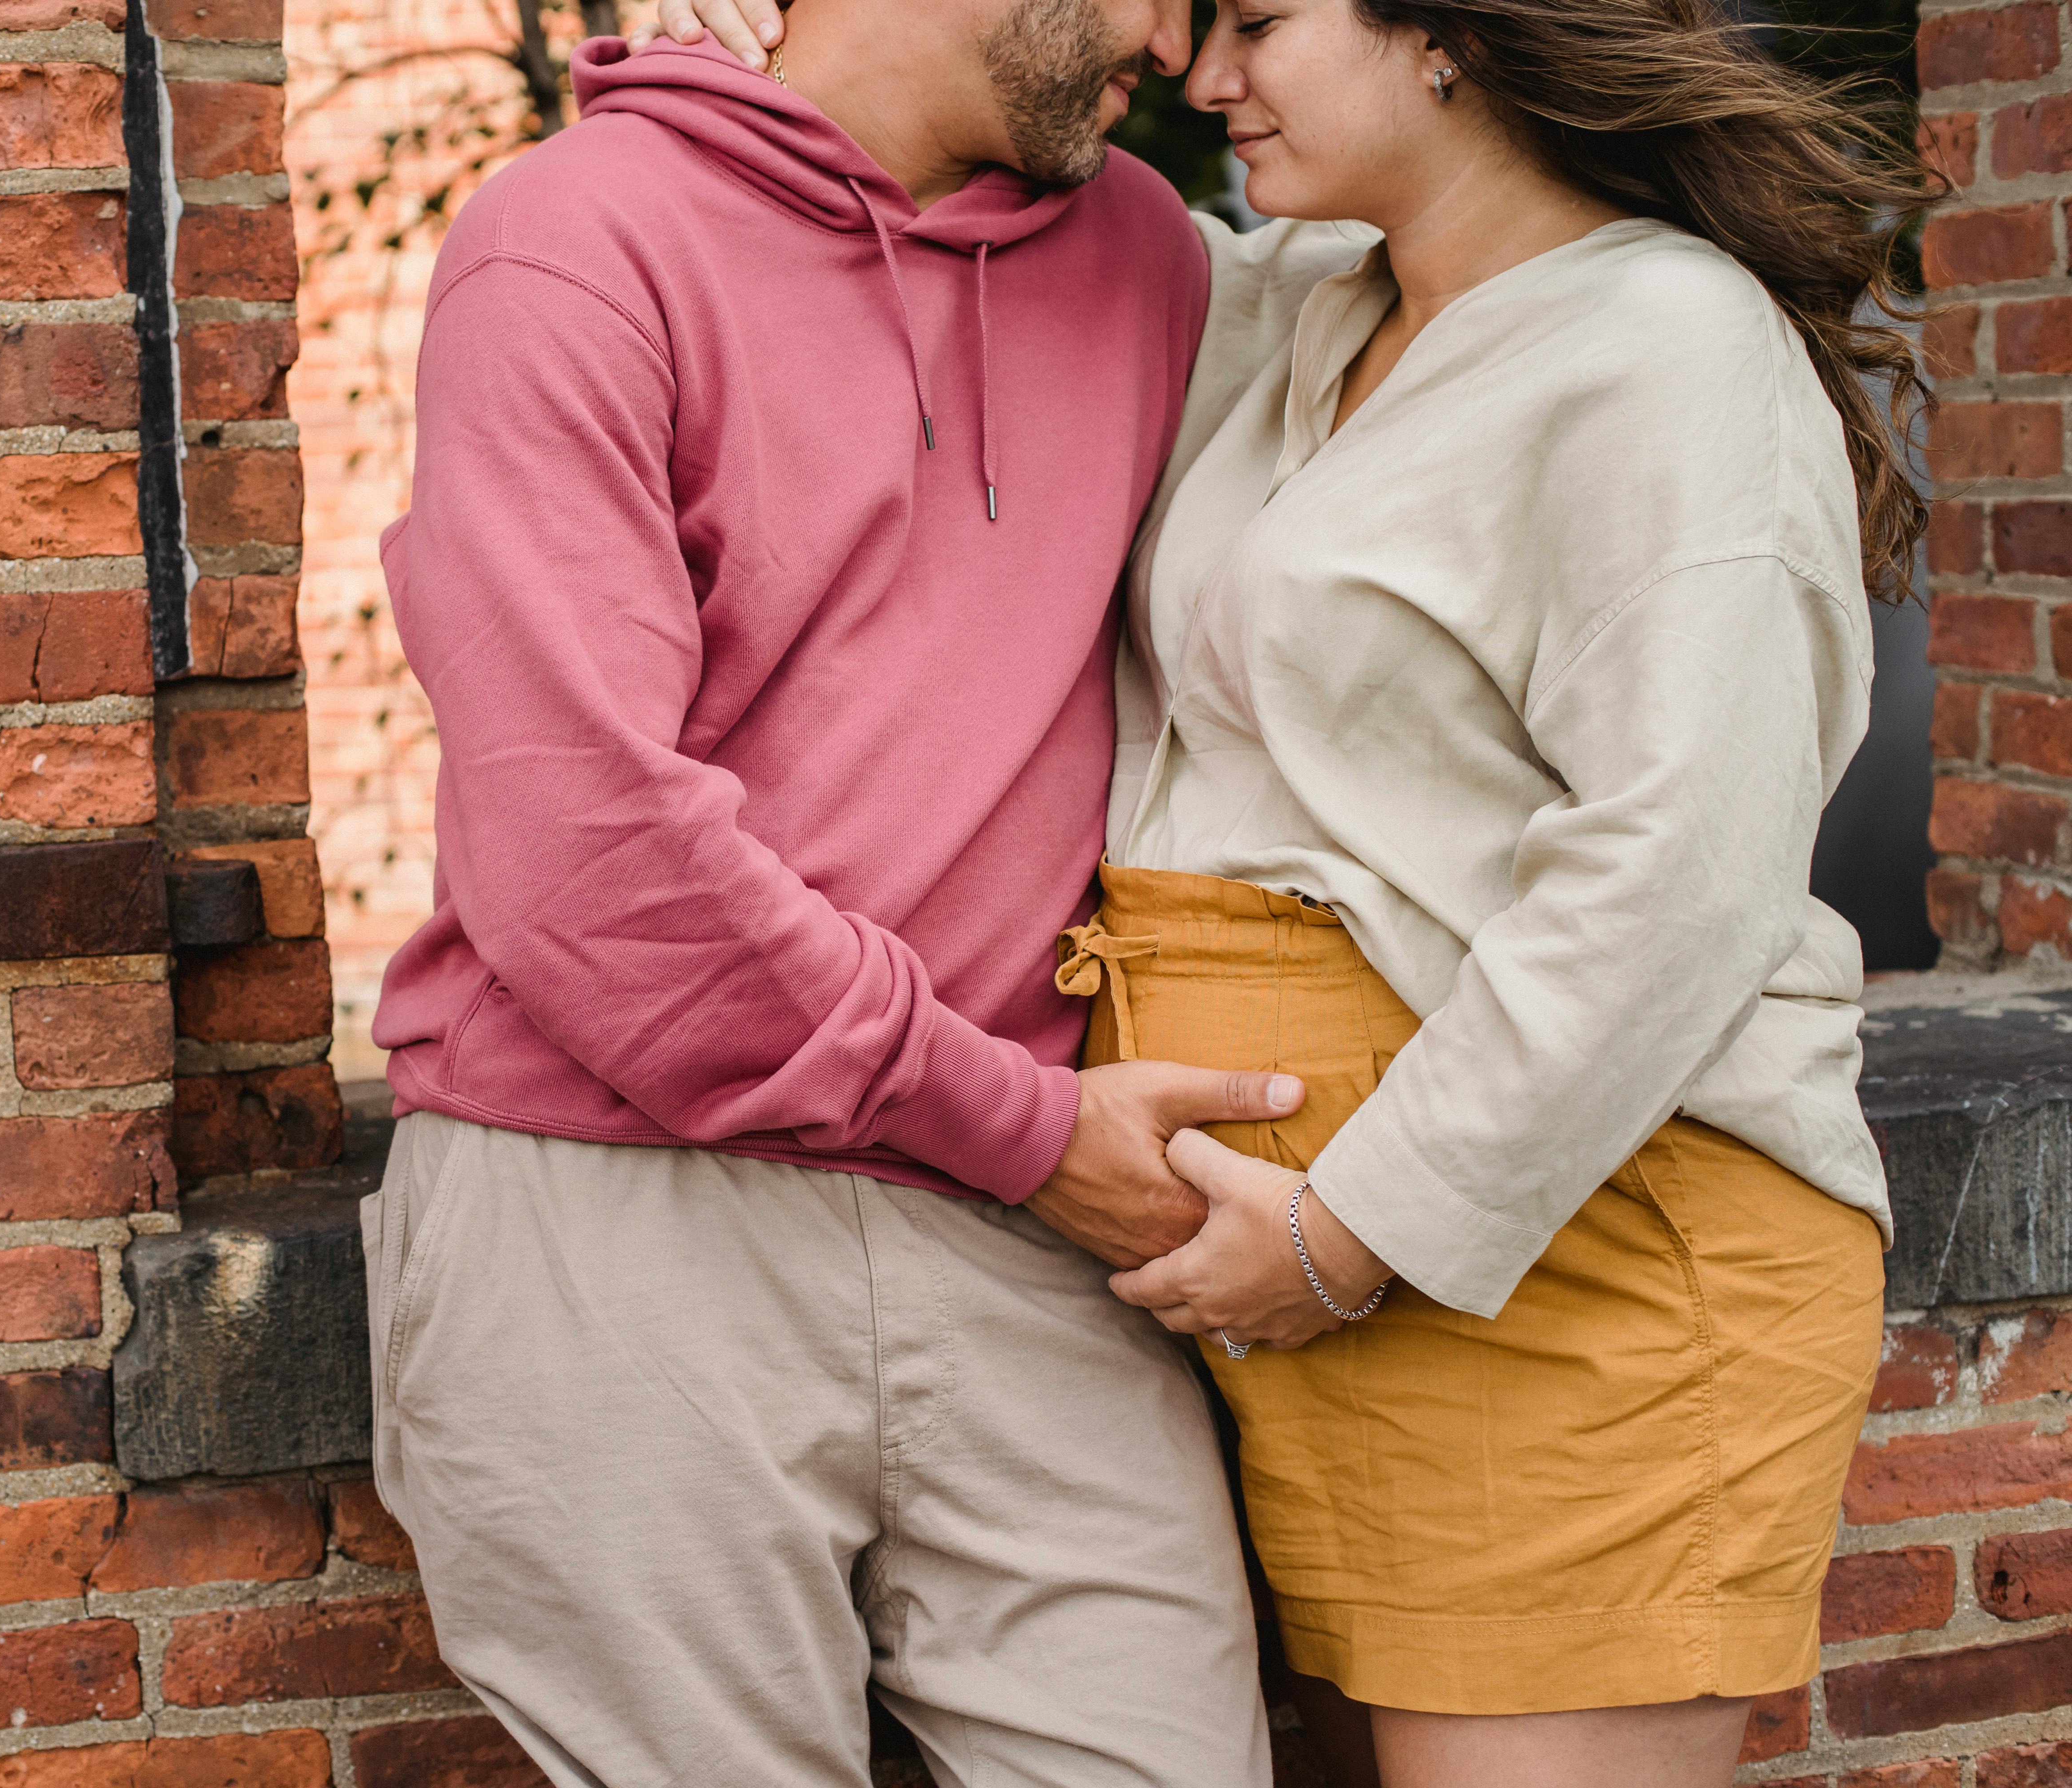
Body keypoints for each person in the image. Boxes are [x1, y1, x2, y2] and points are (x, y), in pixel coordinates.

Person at [636, 0, 1930, 1783]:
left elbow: (1676, 872)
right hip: (1311, 1299)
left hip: (1582, 1269)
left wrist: (1351, 1231)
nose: (1202, 73)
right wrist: (784, 77)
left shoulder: (1668, 347)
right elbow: (982, 237)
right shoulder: (1294, 305)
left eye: (1258, 21)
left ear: (1449, 37)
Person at [362, 0, 1310, 1779]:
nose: (1185, 50)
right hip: (622, 1214)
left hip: (1029, 1232)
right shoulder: (577, 240)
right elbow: (586, 856)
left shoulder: (1152, 259)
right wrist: (1025, 1127)